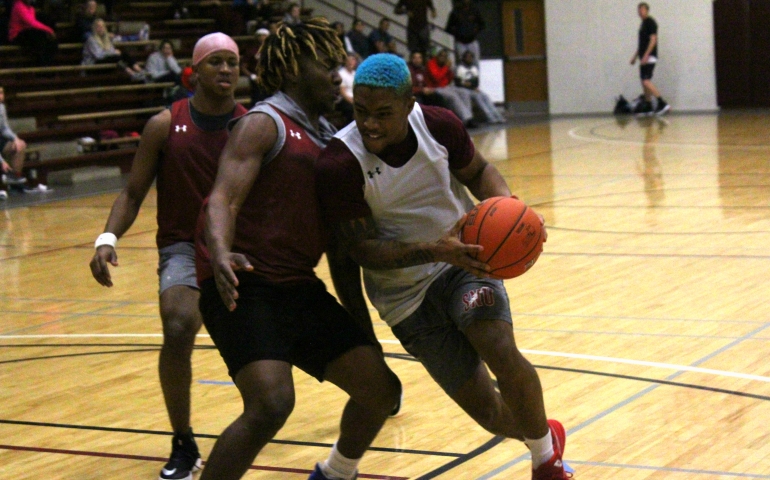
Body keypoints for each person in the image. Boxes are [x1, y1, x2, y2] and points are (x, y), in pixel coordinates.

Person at [316, 53, 573, 480]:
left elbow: (480, 171)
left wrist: (511, 209)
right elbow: (361, 250)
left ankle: (546, 465)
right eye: (361, 111)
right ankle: (545, 435)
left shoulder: (438, 125)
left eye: (383, 113)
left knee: (496, 344)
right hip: (403, 297)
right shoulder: (340, 163)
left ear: (409, 103)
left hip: (464, 262)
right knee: (489, 413)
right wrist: (436, 249)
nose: (370, 124)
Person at [195, 18, 400, 480]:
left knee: (380, 390)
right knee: (271, 403)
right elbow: (222, 199)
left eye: (338, 63)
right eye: (324, 63)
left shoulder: (331, 140)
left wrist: (363, 331)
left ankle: (333, 475)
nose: (336, 72)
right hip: (244, 284)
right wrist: (221, 252)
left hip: (298, 288)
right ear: (291, 71)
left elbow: (341, 252)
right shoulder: (264, 123)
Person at [88, 32, 248, 480]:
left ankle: (371, 388)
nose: (226, 70)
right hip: (183, 245)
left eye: (232, 62)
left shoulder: (252, 124)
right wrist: (107, 238)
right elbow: (133, 191)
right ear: (195, 70)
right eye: (216, 62)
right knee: (178, 325)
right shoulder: (165, 124)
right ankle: (183, 441)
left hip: (239, 247)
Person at [630, 2, 670, 115]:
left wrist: (647, 55)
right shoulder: (642, 24)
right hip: (643, 57)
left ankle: (663, 103)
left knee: (646, 81)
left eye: (642, 9)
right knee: (643, 81)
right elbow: (641, 44)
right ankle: (648, 105)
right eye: (638, 9)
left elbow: (653, 40)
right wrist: (635, 57)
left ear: (647, 10)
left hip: (650, 56)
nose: (640, 11)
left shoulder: (650, 22)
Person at [426, 48, 477, 128]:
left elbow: (450, 79)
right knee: (453, 96)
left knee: (464, 92)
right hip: (435, 88)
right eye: (441, 56)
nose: (443, 58)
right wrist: (446, 67)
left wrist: (450, 69)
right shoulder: (431, 63)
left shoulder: (445, 65)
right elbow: (436, 78)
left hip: (446, 87)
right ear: (437, 56)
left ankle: (469, 118)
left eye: (445, 56)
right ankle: (467, 118)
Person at [455, 50, 505, 124]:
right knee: (478, 97)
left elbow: (476, 82)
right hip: (463, 89)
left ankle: (498, 116)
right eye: (467, 57)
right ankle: (490, 117)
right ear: (464, 58)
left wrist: (470, 84)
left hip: (473, 88)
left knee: (485, 96)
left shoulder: (474, 68)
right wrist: (467, 84)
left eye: (471, 57)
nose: (469, 59)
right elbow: (458, 82)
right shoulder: (460, 68)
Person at [8, 0, 58, 66]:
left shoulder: (30, 8)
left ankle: (46, 64)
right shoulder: (18, 6)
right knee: (39, 37)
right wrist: (49, 30)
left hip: (28, 32)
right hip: (18, 34)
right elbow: (31, 22)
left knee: (47, 40)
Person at [0, 86, 28, 188]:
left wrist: (15, 139)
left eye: (2, 93)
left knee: (20, 145)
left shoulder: (1, 107)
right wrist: (2, 161)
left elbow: (4, 128)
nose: (1, 96)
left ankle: (15, 180)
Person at [239, 28, 269, 106]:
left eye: (265, 36)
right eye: (261, 36)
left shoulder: (272, 50)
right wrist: (252, 76)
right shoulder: (251, 50)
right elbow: (243, 67)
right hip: (256, 78)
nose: (263, 37)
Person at [334, 52, 357, 126]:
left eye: (353, 60)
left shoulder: (355, 73)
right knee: (351, 109)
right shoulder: (341, 74)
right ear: (345, 61)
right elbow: (342, 92)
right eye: (349, 60)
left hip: (354, 98)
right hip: (343, 100)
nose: (351, 62)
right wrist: (353, 102)